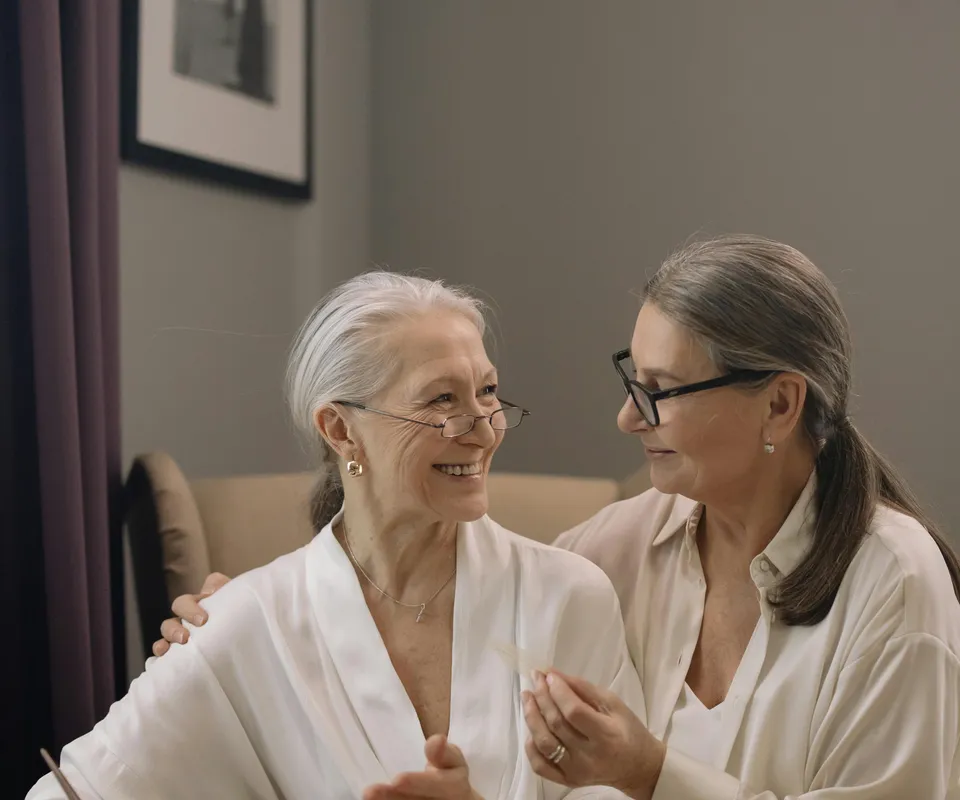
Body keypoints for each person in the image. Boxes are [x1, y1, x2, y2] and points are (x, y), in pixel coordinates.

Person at [159, 235, 960, 799]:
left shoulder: (895, 585)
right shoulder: (612, 552)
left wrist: (649, 775)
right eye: (631, 380)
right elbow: (450, 581)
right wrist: (252, 629)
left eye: (659, 390)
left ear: (779, 405)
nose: (627, 417)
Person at [27, 273, 645, 799]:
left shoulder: (569, 599)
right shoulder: (248, 622)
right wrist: (204, 659)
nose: (484, 430)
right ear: (340, 430)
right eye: (441, 399)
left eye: (487, 391)